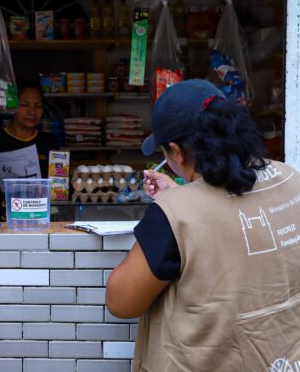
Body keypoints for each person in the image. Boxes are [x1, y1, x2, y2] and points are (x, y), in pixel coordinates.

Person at [105, 79, 300, 371]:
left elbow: (122, 301)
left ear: (177, 151)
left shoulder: (174, 214)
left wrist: (177, 204)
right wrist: (184, 192)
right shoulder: (289, 178)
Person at [0, 80, 58, 221]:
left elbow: (58, 185)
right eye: (25, 105)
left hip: (40, 220)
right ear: (13, 106)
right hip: (2, 222)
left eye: (37, 106)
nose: (32, 111)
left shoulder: (49, 142)